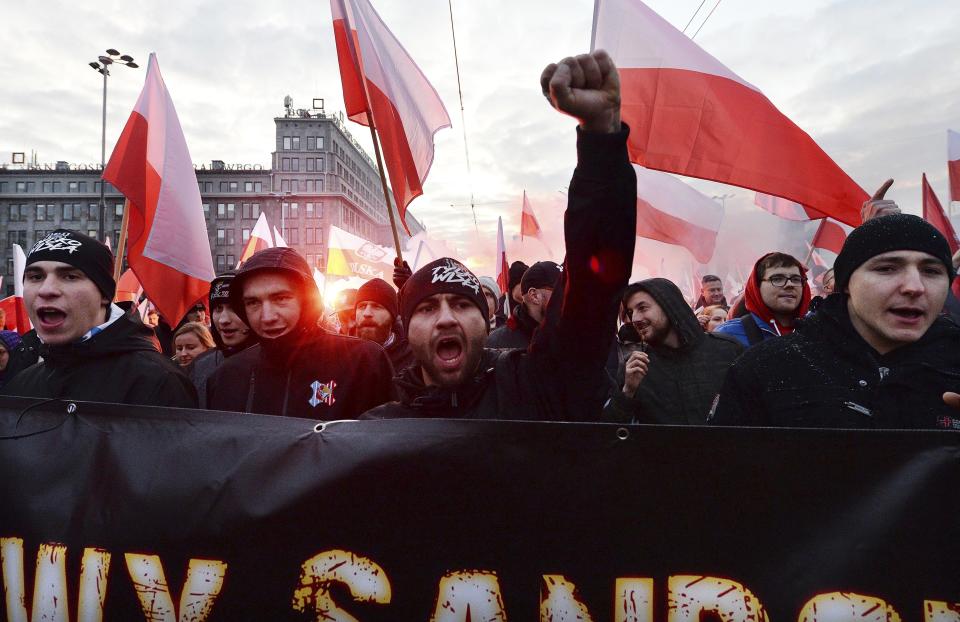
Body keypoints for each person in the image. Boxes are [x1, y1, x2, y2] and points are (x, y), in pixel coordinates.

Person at [363, 49, 636, 421]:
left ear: (485, 320)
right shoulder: (377, 430)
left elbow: (592, 284)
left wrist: (602, 143)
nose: (445, 319)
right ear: (407, 330)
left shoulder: (533, 388)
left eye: (461, 305)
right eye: (427, 308)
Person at [709, 214, 960, 428]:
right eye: (886, 268)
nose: (915, 287)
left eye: (931, 271)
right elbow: (719, 472)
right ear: (846, 283)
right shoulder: (762, 368)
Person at [1, 230, 196, 407]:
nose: (46, 289)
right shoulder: (21, 386)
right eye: (35, 277)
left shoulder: (158, 382)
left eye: (69, 277)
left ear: (104, 294)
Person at [206, 247, 394, 419]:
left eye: (281, 298)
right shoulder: (227, 376)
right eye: (253, 302)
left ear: (306, 300)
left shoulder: (364, 362)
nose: (267, 317)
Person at [603, 279, 742, 425]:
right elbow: (609, 433)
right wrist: (627, 393)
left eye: (642, 308)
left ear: (668, 305)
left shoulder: (727, 350)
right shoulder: (636, 368)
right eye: (631, 312)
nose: (635, 319)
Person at [190, 272, 259, 406]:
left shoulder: (276, 366)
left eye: (234, 309)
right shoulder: (200, 365)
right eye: (218, 308)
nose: (223, 320)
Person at [714, 252, 811, 347]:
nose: (790, 285)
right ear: (757, 286)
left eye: (796, 279)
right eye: (777, 279)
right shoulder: (729, 335)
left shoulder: (819, 331)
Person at [486, 261, 562, 349]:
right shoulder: (497, 344)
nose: (567, 297)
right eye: (560, 291)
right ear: (534, 296)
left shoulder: (569, 335)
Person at [355, 277, 415, 372]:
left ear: (392, 316)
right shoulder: (343, 351)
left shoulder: (412, 360)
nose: (366, 313)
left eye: (376, 306)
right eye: (362, 306)